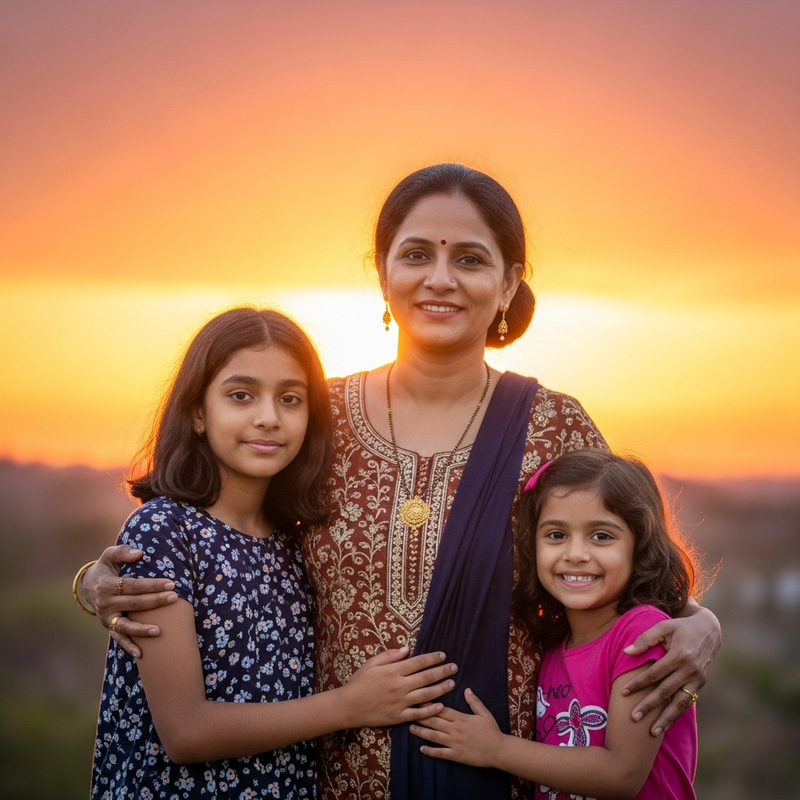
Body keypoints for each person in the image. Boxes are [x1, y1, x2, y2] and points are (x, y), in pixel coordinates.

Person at [77, 164, 721, 799]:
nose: (440, 279)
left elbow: (623, 567)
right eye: (416, 255)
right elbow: (221, 530)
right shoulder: (316, 415)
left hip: (492, 771)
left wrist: (698, 621)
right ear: (383, 272)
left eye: (470, 259)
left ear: (508, 283)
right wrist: (98, 582)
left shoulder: (552, 426)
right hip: (318, 776)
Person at [88, 307, 457, 800]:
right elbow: (186, 731)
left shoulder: (294, 541)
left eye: (290, 399)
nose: (268, 418)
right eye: (241, 396)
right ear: (198, 412)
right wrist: (353, 705)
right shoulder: (164, 530)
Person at [411, 449, 704, 798]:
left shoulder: (641, 633)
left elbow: (621, 774)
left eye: (601, 536)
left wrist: (494, 749)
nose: (576, 554)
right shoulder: (552, 645)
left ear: (639, 547)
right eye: (556, 535)